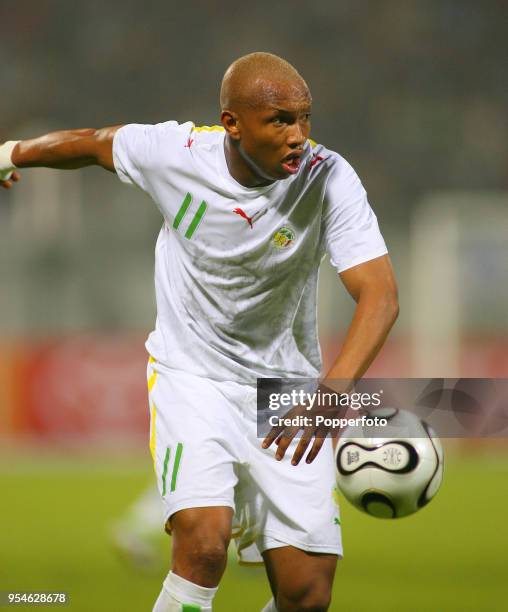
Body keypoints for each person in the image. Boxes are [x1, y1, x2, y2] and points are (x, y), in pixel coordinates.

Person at [0, 52, 399, 612]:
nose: (299, 135)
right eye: (280, 120)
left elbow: (380, 295)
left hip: (287, 393)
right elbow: (92, 143)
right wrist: (8, 153)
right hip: (193, 377)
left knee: (307, 594)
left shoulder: (329, 176)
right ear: (232, 123)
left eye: (305, 118)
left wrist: (330, 393)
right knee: (204, 544)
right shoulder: (176, 153)